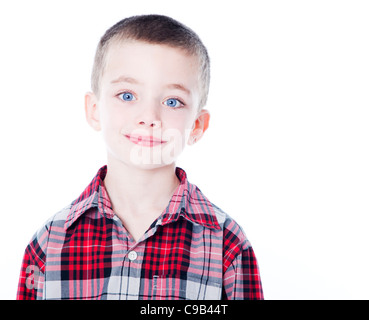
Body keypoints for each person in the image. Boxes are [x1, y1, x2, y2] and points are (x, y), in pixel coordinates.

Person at [17, 14, 263, 300]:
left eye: (172, 102)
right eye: (127, 95)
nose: (149, 117)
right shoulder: (49, 243)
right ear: (94, 110)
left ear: (196, 126)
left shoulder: (227, 244)